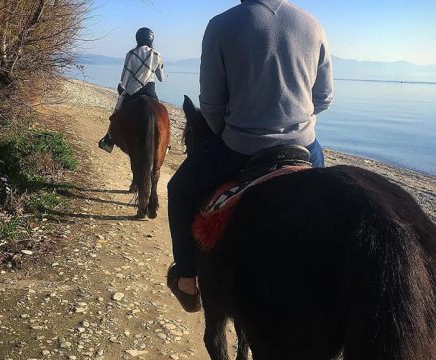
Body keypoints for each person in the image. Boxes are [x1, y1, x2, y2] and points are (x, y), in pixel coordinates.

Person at [167, 0, 333, 312]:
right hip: (305, 146)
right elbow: (324, 98)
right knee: (328, 202)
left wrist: (229, 133)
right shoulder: (312, 24)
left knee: (178, 189)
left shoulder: (221, 25)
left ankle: (187, 279)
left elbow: (212, 106)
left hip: (240, 147)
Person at [98, 27, 164, 153]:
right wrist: (159, 65)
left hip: (132, 91)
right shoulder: (157, 55)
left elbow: (124, 79)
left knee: (117, 111)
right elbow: (161, 79)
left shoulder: (131, 54)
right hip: (150, 90)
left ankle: (109, 140)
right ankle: (165, 146)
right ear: (152, 39)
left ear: (137, 38)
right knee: (159, 112)